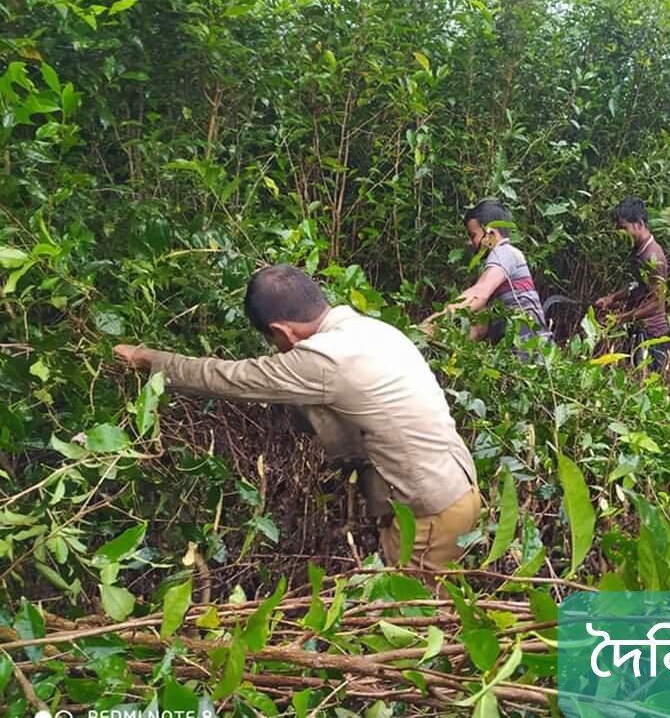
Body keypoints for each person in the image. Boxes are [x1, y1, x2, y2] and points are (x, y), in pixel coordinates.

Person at [114, 265, 481, 570]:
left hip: (430, 513)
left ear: (281, 330)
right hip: (456, 488)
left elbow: (230, 378)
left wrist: (148, 359)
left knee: (415, 621)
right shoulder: (372, 329)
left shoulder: (322, 359)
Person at [422, 200, 552, 354]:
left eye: (473, 235)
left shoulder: (504, 252)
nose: (470, 242)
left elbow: (478, 294)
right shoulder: (496, 268)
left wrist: (431, 323)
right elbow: (479, 329)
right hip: (518, 354)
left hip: (533, 352)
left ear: (490, 233)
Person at [593, 197, 670, 371]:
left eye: (623, 228)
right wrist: (611, 298)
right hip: (640, 330)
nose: (621, 233)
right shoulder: (638, 250)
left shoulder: (653, 257)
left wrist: (622, 318)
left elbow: (656, 303)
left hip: (653, 336)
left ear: (639, 224)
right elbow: (637, 285)